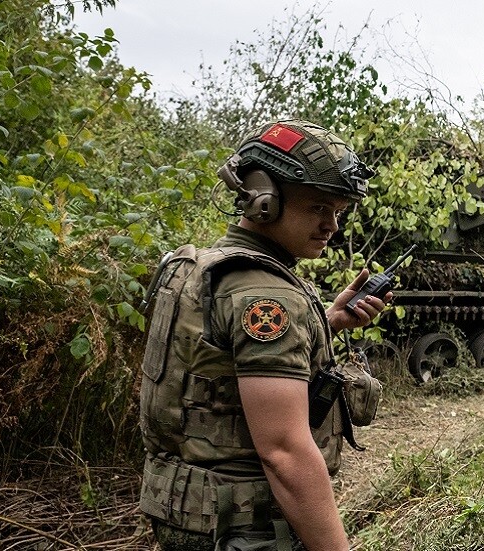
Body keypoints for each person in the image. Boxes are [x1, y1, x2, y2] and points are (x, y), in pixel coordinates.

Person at [138, 119, 390, 551]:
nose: (331, 225)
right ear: (262, 198)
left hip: (189, 513)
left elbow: (216, 365)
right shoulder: (264, 293)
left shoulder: (200, 267)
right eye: (318, 207)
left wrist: (327, 322)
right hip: (244, 526)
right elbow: (285, 453)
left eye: (337, 212)